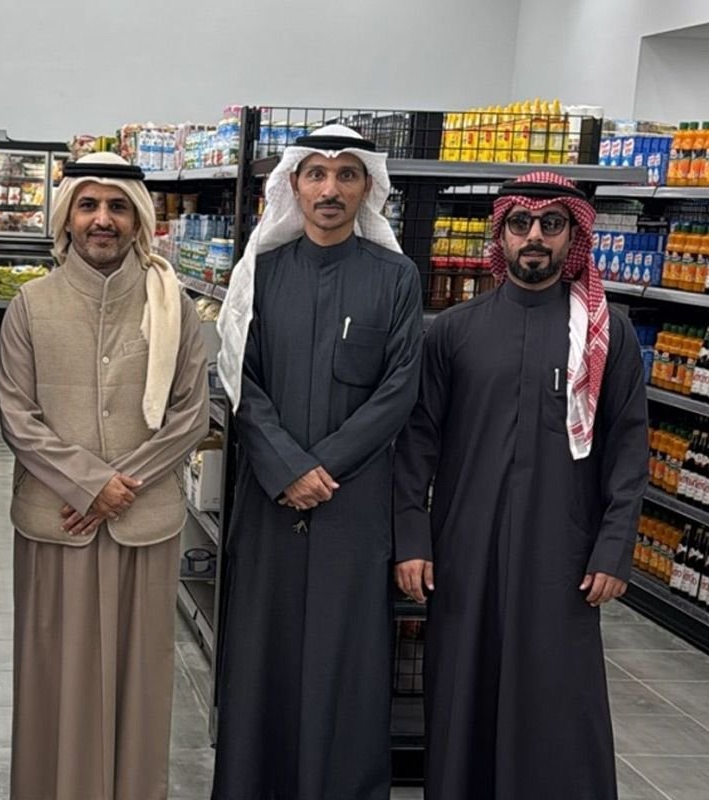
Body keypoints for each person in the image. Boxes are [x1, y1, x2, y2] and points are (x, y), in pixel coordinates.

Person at [393, 171, 649, 799]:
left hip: (564, 553)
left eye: (551, 224)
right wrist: (412, 540)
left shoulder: (605, 334)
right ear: (501, 235)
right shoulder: (452, 331)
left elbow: (627, 447)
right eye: (520, 223)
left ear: (572, 238)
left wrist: (614, 549)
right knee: (463, 689)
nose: (535, 236)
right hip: (466, 548)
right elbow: (417, 445)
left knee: (557, 696)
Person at [212, 125, 423, 799]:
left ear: (366, 189)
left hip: (351, 507)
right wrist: (285, 469)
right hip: (270, 503)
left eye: (346, 175)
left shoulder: (396, 278)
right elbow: (241, 381)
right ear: (294, 186)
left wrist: (319, 469)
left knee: (346, 664)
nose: (330, 189)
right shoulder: (262, 273)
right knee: (262, 658)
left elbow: (399, 389)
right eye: (317, 174)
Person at [0, 152, 210, 800]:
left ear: (138, 219)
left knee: (139, 684)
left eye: (117, 206)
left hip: (144, 525)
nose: (102, 219)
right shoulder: (30, 305)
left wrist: (117, 489)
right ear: (68, 216)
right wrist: (90, 485)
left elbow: (190, 415)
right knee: (54, 680)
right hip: (55, 525)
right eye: (88, 205)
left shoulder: (175, 306)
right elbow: (16, 415)